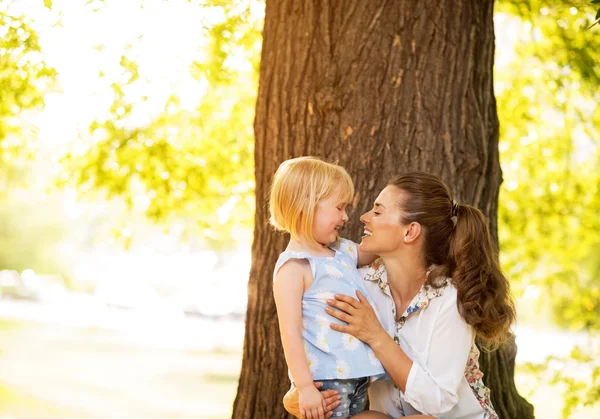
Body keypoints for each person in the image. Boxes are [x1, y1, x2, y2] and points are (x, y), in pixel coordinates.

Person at [284, 172, 516, 419]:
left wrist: (375, 336)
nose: (363, 218)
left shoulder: (450, 299)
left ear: (410, 232)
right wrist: (298, 395)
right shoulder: (357, 285)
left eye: (378, 211)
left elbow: (436, 405)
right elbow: (322, 354)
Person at [270, 156, 386, 419]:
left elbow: (375, 252)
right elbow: (290, 332)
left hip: (356, 376)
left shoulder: (342, 249)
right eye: (339, 207)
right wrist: (304, 387)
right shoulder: (294, 267)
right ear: (307, 206)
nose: (346, 217)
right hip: (326, 381)